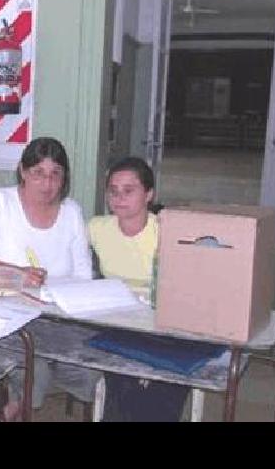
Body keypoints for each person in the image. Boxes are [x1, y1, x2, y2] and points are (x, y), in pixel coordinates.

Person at [0, 137, 99, 420]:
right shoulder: (0, 201)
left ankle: (18, 404)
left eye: (55, 175)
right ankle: (13, 407)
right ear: (23, 172)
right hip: (9, 318)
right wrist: (18, 273)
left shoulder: (71, 212)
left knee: (90, 370)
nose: (47, 184)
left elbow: (83, 275)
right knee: (35, 374)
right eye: (38, 173)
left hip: (58, 318)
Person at [88, 156, 189, 421]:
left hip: (165, 324)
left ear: (149, 194)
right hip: (119, 323)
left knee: (166, 380)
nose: (119, 197)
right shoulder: (97, 228)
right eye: (113, 191)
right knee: (120, 377)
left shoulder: (167, 230)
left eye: (129, 190)